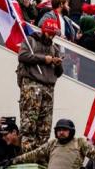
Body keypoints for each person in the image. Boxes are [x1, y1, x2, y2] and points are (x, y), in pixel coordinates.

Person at [17, 20, 64, 152]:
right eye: (49, 34)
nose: (51, 37)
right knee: (29, 123)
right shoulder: (31, 41)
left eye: (53, 34)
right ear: (43, 31)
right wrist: (44, 59)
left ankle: (40, 155)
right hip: (32, 85)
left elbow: (59, 73)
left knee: (45, 127)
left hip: (49, 88)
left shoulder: (54, 48)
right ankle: (27, 154)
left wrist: (58, 63)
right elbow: (22, 56)